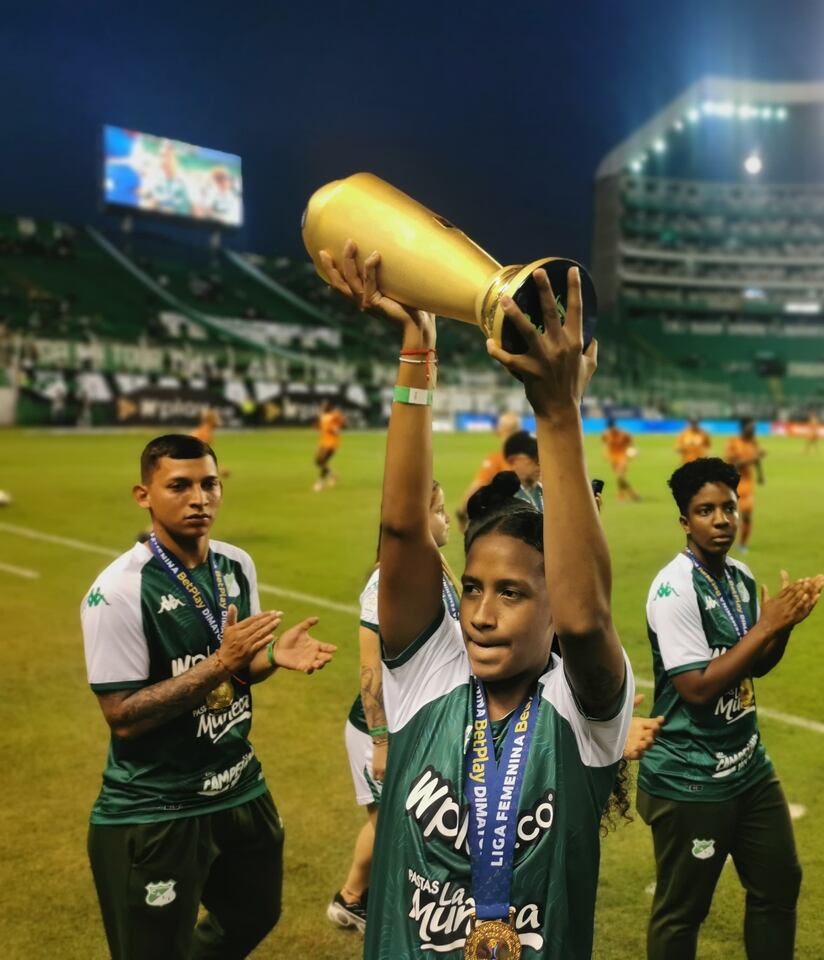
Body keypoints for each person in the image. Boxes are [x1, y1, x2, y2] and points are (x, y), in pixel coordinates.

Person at [323, 242, 633, 958]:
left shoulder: (582, 716)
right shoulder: (429, 670)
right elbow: (402, 527)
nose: (482, 614)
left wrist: (558, 415)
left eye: (514, 594)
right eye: (472, 589)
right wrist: (417, 347)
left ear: (552, 609)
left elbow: (589, 620)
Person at [82, 434, 334, 959]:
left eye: (209, 484)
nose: (199, 498)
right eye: (179, 486)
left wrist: (270, 659)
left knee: (254, 913)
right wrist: (220, 662)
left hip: (237, 784)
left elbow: (238, 673)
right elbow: (123, 717)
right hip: (156, 805)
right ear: (143, 494)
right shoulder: (119, 591)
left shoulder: (235, 566)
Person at [638, 457, 824, 960]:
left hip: (747, 765)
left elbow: (753, 668)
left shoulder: (740, 577)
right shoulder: (674, 589)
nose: (721, 519)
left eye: (728, 507)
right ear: (685, 522)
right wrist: (766, 627)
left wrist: (783, 626)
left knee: (779, 884)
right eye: (705, 511)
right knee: (682, 912)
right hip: (690, 777)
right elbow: (696, 688)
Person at [328, 479, 458, 934]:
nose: (446, 518)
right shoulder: (387, 581)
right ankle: (356, 902)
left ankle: (354, 900)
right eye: (438, 510)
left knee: (399, 825)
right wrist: (381, 742)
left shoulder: (437, 567)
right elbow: (370, 669)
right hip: (381, 730)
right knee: (391, 827)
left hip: (414, 726)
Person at [455, 410, 523, 526]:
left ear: (498, 431)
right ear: (519, 431)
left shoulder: (497, 459)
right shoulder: (533, 459)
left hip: (506, 520)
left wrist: (461, 511)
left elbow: (477, 486)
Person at [724, 419, 765, 553]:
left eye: (754, 428)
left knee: (747, 514)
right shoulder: (733, 442)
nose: (754, 431)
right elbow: (733, 465)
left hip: (747, 484)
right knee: (728, 516)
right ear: (743, 428)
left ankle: (742, 544)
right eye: (751, 428)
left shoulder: (753, 442)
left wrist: (760, 475)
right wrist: (752, 459)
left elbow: (757, 459)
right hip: (732, 483)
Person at [602, 417, 641, 501]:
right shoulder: (606, 434)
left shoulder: (624, 434)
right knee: (620, 478)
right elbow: (605, 444)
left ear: (614, 426)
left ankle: (621, 496)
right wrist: (605, 453)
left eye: (611, 427)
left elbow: (631, 444)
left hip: (622, 457)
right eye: (609, 428)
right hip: (613, 458)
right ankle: (634, 494)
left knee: (620, 476)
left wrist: (634, 452)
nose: (610, 430)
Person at [504, 429, 544, 510]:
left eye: (542, 458)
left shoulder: (546, 493)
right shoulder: (502, 499)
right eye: (534, 458)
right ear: (513, 461)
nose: (540, 463)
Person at [314, 399, 347, 491]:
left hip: (332, 443)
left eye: (325, 405)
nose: (323, 407)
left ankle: (320, 483)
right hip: (323, 442)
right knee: (318, 461)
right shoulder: (322, 416)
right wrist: (318, 424)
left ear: (329, 406)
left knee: (323, 461)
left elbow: (343, 424)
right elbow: (318, 427)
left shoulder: (335, 415)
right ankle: (332, 475)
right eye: (322, 405)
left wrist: (336, 428)